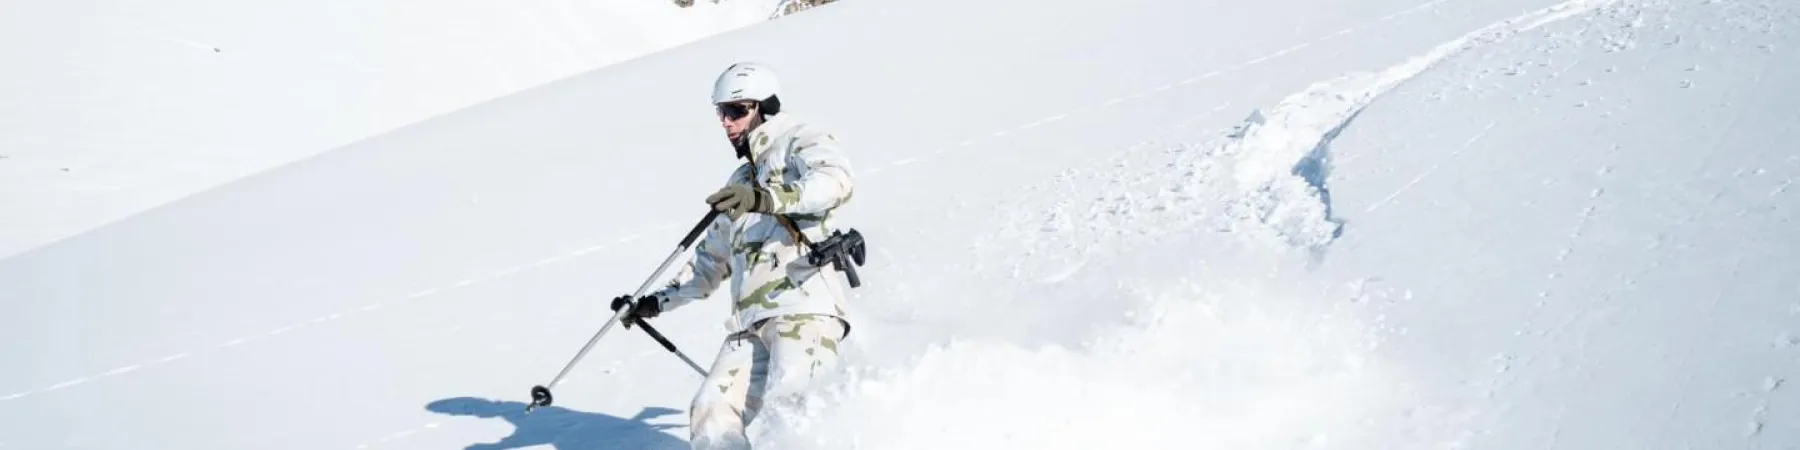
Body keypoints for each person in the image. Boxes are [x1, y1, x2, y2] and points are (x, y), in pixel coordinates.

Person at [609, 61, 856, 450]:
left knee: (798, 415)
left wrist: (766, 199)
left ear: (766, 107)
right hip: (750, 322)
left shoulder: (800, 140)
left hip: (803, 308)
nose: (727, 122)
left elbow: (835, 182)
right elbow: (710, 263)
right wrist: (654, 303)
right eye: (721, 112)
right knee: (711, 411)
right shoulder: (739, 182)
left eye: (737, 111)